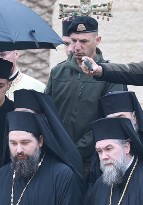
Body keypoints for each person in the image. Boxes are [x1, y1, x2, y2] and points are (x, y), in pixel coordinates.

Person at [44, 16, 127, 177]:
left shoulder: (110, 75)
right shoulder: (57, 72)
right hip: (58, 160)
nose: (76, 47)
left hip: (94, 163)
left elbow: (110, 121)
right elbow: (47, 113)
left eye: (84, 41)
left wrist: (75, 151)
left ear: (97, 40)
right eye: (73, 40)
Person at [98, 91, 143, 171]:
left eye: (121, 118)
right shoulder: (101, 153)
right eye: (111, 120)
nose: (117, 124)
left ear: (134, 117)